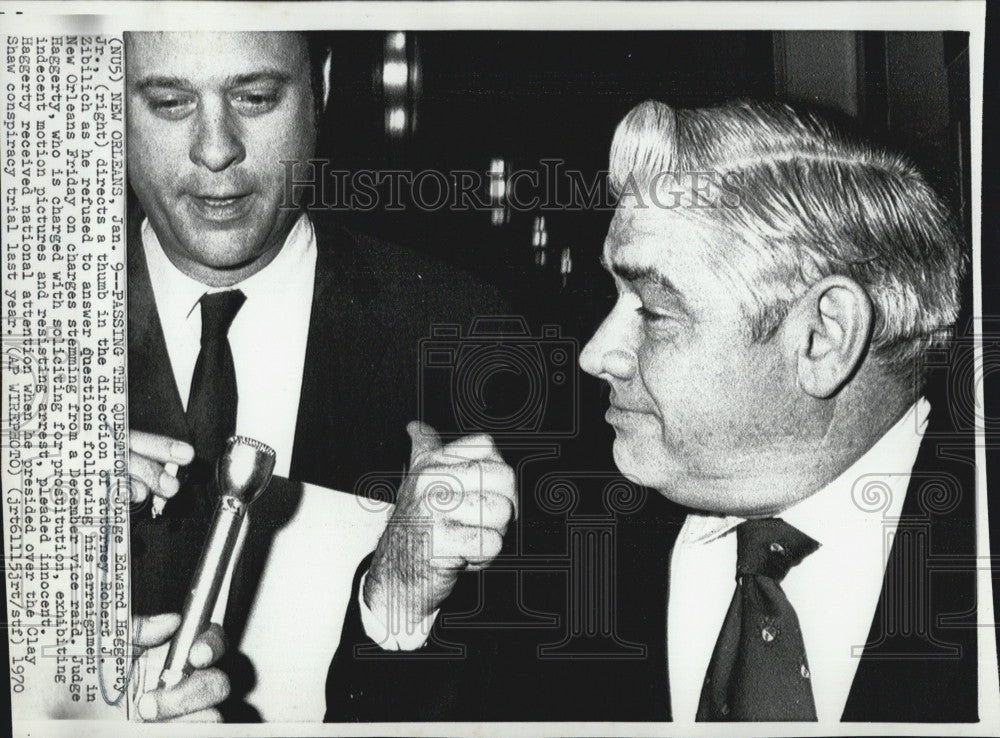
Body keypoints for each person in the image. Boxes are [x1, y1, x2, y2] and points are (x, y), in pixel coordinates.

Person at [326, 99, 982, 722]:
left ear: (822, 337)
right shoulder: (558, 545)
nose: (595, 354)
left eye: (653, 311)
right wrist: (402, 596)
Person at [124, 31, 512, 720]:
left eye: (255, 97)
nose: (216, 149)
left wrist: (399, 604)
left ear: (321, 89)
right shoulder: (29, 334)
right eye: (171, 102)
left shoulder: (467, 337)